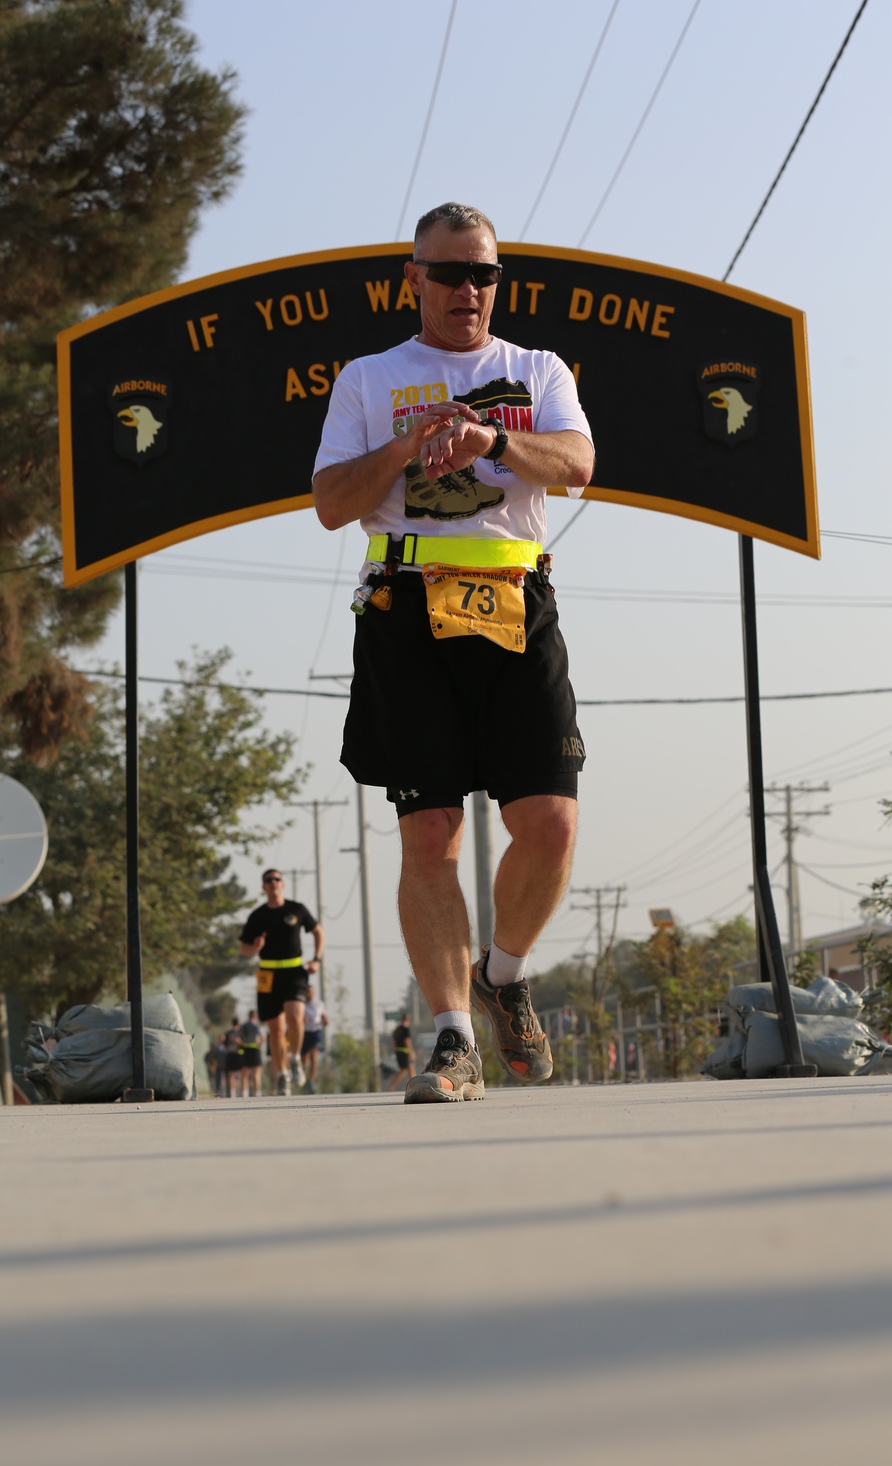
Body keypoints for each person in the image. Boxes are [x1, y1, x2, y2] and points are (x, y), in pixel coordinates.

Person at [313, 202, 594, 1105]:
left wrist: (492, 438)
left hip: (516, 599)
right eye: (449, 274)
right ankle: (452, 1040)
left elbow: (579, 462)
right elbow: (329, 501)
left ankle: (502, 975)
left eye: (484, 275)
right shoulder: (367, 377)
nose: (468, 291)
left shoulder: (536, 368)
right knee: (429, 830)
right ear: (414, 281)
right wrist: (413, 443)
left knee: (549, 822)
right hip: (404, 603)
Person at [239, 870, 324, 1095]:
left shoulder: (296, 909)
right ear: (263, 887)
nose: (273, 883)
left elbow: (318, 932)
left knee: (295, 1018)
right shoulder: (258, 916)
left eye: (277, 879)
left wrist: (316, 959)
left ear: (282, 884)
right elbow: (243, 948)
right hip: (268, 975)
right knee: (276, 1030)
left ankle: (295, 1058)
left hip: (294, 972)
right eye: (268, 880)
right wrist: (254, 947)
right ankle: (282, 1074)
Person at [299, 984, 328, 1094]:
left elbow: (324, 1017)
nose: (309, 993)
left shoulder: (319, 1004)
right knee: (304, 1060)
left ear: (314, 992)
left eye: (311, 991)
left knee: (314, 1057)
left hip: (316, 1032)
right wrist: (302, 1019)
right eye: (307, 991)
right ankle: (303, 1074)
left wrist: (325, 1020)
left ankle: (311, 1082)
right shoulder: (301, 1004)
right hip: (304, 1033)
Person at [237, 1009, 264, 1098]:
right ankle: (257, 1092)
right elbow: (262, 1037)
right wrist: (259, 1044)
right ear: (255, 1016)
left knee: (244, 1073)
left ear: (249, 1016)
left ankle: (244, 1092)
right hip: (255, 1049)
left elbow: (236, 1037)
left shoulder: (244, 1025)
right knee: (256, 1072)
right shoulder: (256, 1026)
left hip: (246, 1049)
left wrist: (242, 1044)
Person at [388, 1012, 415, 1092]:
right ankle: (392, 1085)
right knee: (404, 1069)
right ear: (408, 1020)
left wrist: (395, 1050)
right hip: (404, 1051)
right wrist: (411, 1052)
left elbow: (393, 1042)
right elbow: (407, 1041)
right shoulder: (405, 1029)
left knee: (411, 1068)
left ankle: (413, 1085)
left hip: (398, 1051)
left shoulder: (397, 1030)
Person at [223, 1017, 244, 1098]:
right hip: (234, 1055)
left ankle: (238, 1092)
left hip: (235, 1054)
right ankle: (233, 1092)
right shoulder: (232, 1033)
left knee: (235, 1074)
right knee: (232, 1074)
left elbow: (224, 1044)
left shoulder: (232, 1033)